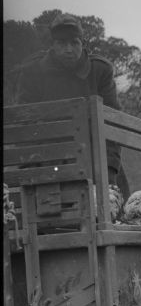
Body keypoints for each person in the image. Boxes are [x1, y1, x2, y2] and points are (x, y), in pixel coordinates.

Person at [15, 13, 126, 192]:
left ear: (82, 44)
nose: (68, 49)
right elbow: (24, 124)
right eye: (62, 43)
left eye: (74, 43)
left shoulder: (100, 71)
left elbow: (113, 121)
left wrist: (109, 167)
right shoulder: (32, 73)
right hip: (48, 160)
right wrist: (30, 167)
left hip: (95, 159)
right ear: (52, 45)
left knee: (115, 202)